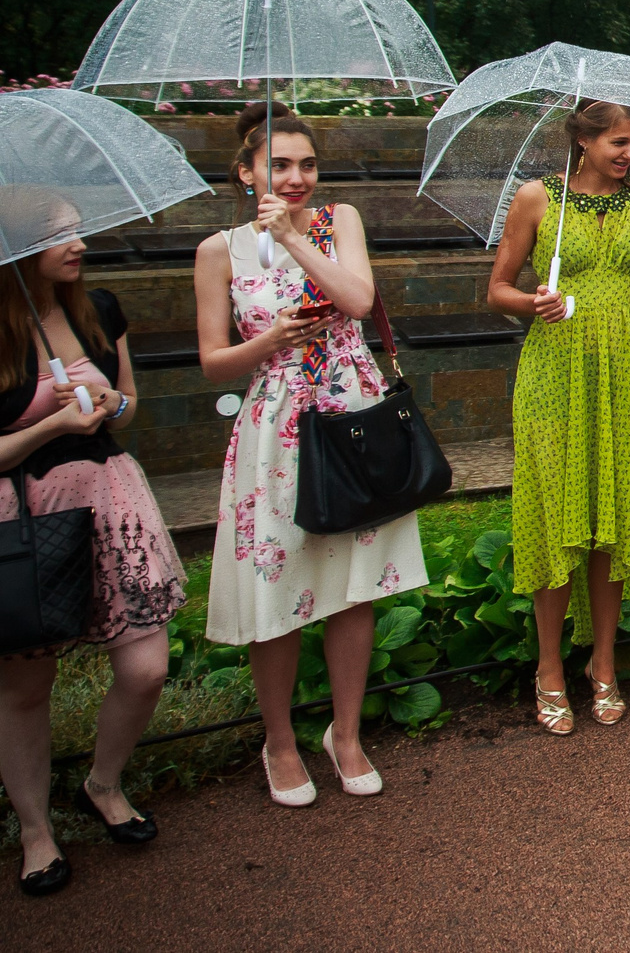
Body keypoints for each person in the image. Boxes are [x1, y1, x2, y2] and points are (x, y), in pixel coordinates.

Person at [196, 105, 427, 803]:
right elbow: (212, 362)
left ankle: (345, 734)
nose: (296, 177)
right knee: (278, 581)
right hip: (276, 426)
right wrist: (270, 340)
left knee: (354, 585)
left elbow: (357, 300)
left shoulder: (337, 221)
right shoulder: (219, 250)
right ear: (246, 173)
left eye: (307, 164)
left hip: (351, 414)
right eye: (279, 165)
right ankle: (280, 742)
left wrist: (294, 238)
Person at [488, 99, 630, 735]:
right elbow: (497, 289)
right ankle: (548, 669)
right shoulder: (537, 198)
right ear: (584, 141)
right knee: (556, 515)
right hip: (553, 371)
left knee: (610, 513)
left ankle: (605, 663)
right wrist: (532, 302)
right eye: (620, 142)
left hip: (622, 367)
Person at [0, 203, 184, 893]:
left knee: (146, 667)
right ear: (18, 246)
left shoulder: (99, 309)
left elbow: (129, 406)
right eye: (58, 234)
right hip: (24, 514)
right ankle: (35, 829)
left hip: (109, 499)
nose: (78, 243)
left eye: (78, 228)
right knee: (26, 684)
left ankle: (102, 783)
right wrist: (51, 424)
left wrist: (109, 403)